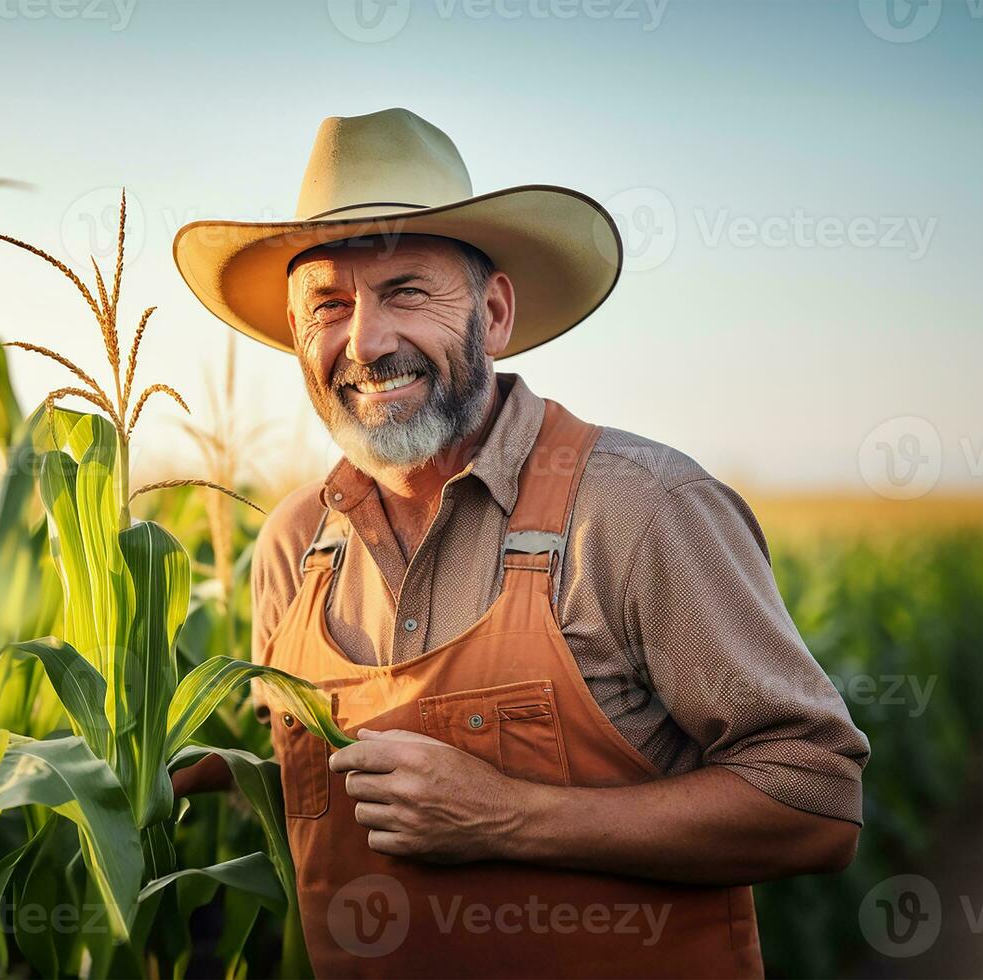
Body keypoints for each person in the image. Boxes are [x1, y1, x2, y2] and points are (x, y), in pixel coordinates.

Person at [170, 108, 869, 978]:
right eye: (330, 304)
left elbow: (817, 800)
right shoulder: (291, 544)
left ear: (493, 314)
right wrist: (156, 765)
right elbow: (302, 783)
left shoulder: (637, 510)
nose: (367, 340)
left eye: (407, 291)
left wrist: (507, 814)